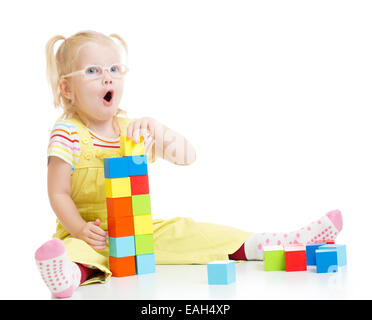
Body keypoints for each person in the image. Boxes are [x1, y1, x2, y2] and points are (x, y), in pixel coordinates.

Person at [35, 30, 343, 298]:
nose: (108, 77)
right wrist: (79, 229)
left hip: (137, 230)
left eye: (115, 68)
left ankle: (282, 243)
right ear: (66, 89)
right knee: (76, 254)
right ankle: (67, 275)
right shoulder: (68, 133)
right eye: (93, 71)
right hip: (87, 233)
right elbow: (58, 192)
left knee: (191, 231)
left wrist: (159, 131)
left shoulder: (131, 130)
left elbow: (187, 157)